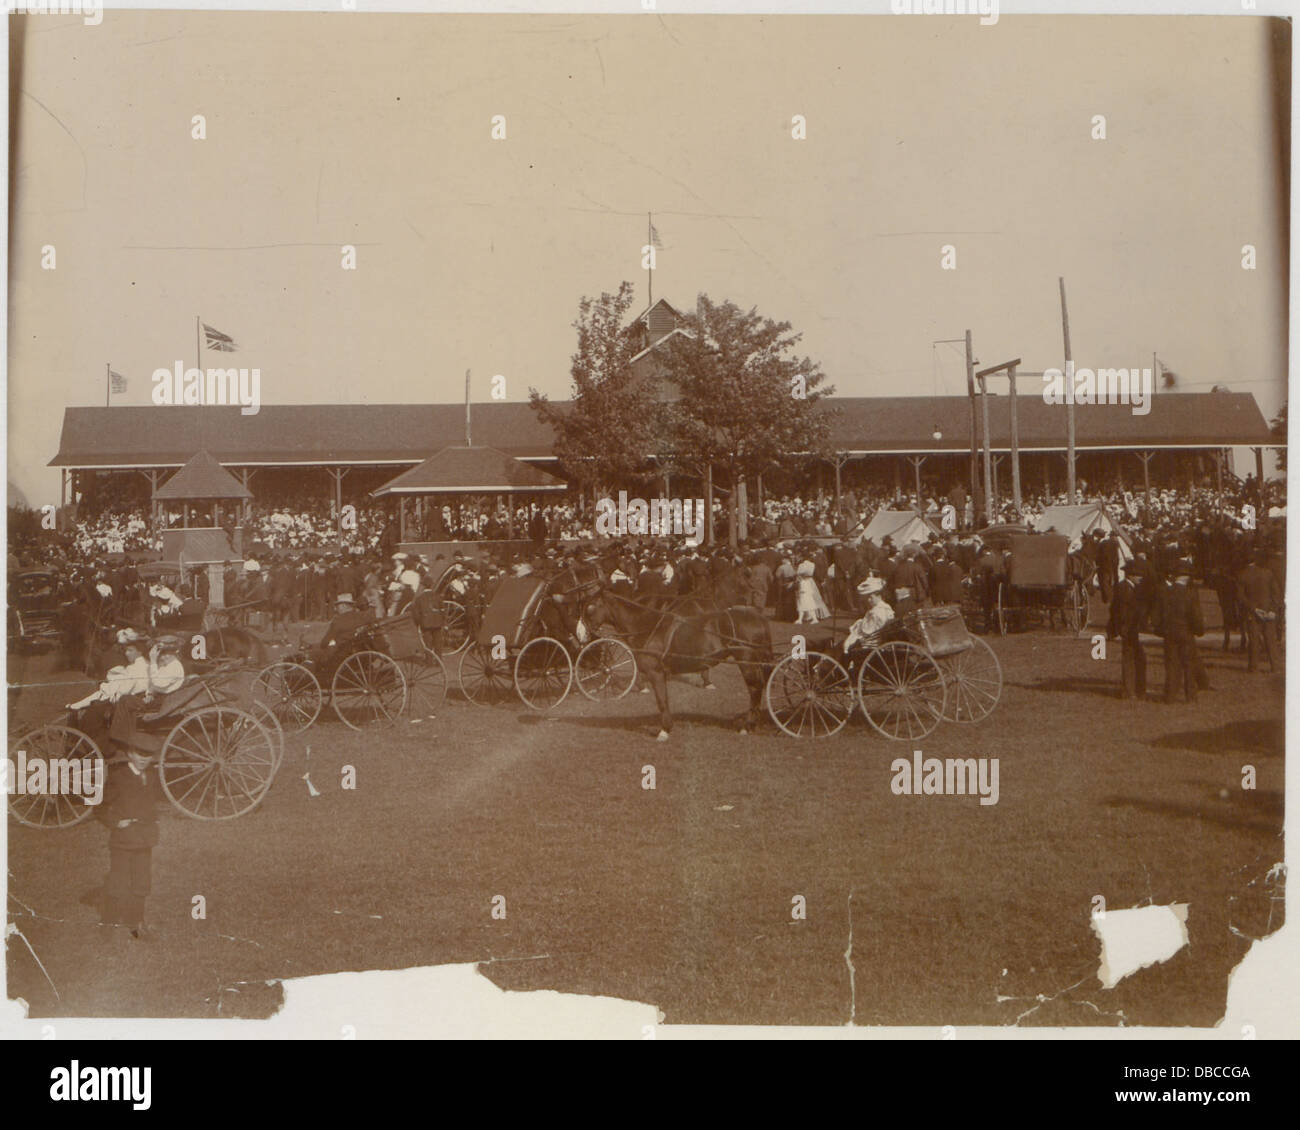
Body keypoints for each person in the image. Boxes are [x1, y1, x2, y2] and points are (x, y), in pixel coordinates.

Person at [1152, 558, 1205, 703]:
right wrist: (1199, 631)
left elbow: (1156, 617)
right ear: (1187, 577)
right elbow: (1196, 616)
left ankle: (1170, 695)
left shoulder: (1164, 592)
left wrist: (1160, 630)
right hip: (1186, 632)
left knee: (1171, 665)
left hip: (1169, 633)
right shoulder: (1190, 594)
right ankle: (1190, 696)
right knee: (1188, 664)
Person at [1107, 558, 1149, 699]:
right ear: (1130, 575)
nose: (1141, 577)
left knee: (1135, 658)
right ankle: (1131, 691)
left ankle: (1133, 690)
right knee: (1132, 660)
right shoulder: (1125, 589)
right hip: (1129, 629)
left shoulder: (1126, 587)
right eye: (1138, 575)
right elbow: (1122, 611)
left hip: (1130, 629)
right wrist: (1124, 628)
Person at [1236, 549, 1281, 673]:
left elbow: (1240, 597)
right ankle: (1275, 667)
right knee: (1270, 641)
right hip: (1268, 611)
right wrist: (1273, 610)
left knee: (1254, 641)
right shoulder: (1268, 573)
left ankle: (1253, 667)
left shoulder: (1242, 575)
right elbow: (1276, 594)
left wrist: (1254, 609)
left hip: (1253, 613)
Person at [844, 575, 893, 653]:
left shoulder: (877, 612)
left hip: (870, 644)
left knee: (844, 645)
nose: (868, 600)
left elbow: (868, 631)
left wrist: (858, 629)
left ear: (878, 596)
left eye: (870, 597)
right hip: (873, 638)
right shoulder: (885, 607)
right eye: (867, 598)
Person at [794, 558, 829, 624]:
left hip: (804, 585)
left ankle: (808, 618)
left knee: (804, 602)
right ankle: (804, 618)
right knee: (809, 601)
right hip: (809, 584)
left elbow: (799, 574)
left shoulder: (802, 566)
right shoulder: (812, 565)